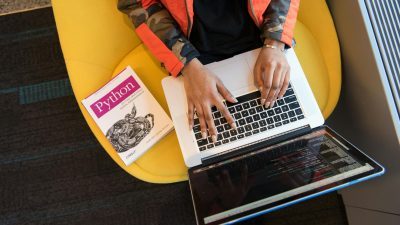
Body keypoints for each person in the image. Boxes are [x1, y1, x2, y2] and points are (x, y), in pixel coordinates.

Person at [118, 0, 299, 143]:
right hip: (194, 57)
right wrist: (187, 64)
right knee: (215, 157)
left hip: (264, 42)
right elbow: (135, 3)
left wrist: (275, 42)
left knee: (296, 138)